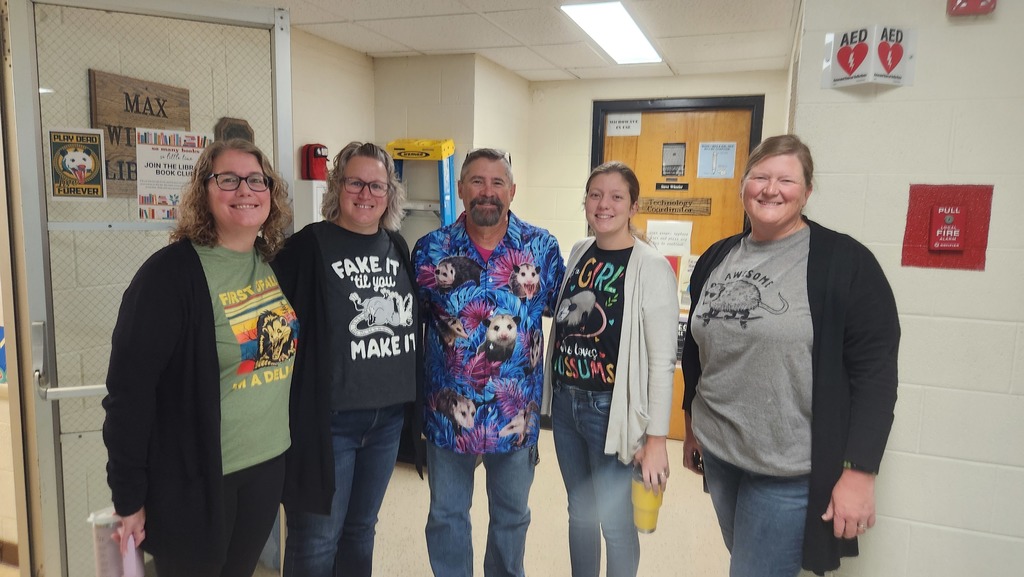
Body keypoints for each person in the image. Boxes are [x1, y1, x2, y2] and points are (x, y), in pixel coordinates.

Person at [681, 134, 900, 576]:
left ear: (807, 191)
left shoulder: (846, 263)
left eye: (786, 179)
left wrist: (859, 472)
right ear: (742, 186)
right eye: (759, 177)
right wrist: (690, 426)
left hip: (786, 469)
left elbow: (875, 376)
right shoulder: (717, 257)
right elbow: (697, 350)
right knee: (745, 561)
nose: (770, 189)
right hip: (721, 455)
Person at [103, 138, 297, 577]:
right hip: (198, 480)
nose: (244, 190)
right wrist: (128, 498)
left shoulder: (271, 265)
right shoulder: (168, 276)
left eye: (255, 180)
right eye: (227, 179)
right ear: (203, 192)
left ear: (270, 193)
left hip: (266, 465)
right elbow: (129, 396)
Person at [413, 147, 565, 577]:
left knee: (513, 517)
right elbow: (414, 324)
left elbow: (563, 311)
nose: (487, 192)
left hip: (515, 413)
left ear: (512, 191)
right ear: (461, 189)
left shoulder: (541, 247)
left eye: (497, 183)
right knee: (446, 516)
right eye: (477, 182)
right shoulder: (430, 250)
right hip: (449, 414)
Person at [273, 141, 420, 577]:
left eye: (377, 185)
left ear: (390, 194)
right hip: (328, 422)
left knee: (361, 530)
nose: (366, 193)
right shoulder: (304, 249)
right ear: (338, 186)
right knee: (317, 540)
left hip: (387, 419)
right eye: (355, 181)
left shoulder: (397, 246)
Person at [542, 161, 678, 577]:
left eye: (616, 196)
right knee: (580, 514)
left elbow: (661, 361)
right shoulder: (579, 251)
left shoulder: (650, 266)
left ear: (633, 205)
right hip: (566, 405)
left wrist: (657, 438)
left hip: (609, 410)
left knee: (616, 524)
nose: (604, 204)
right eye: (595, 195)